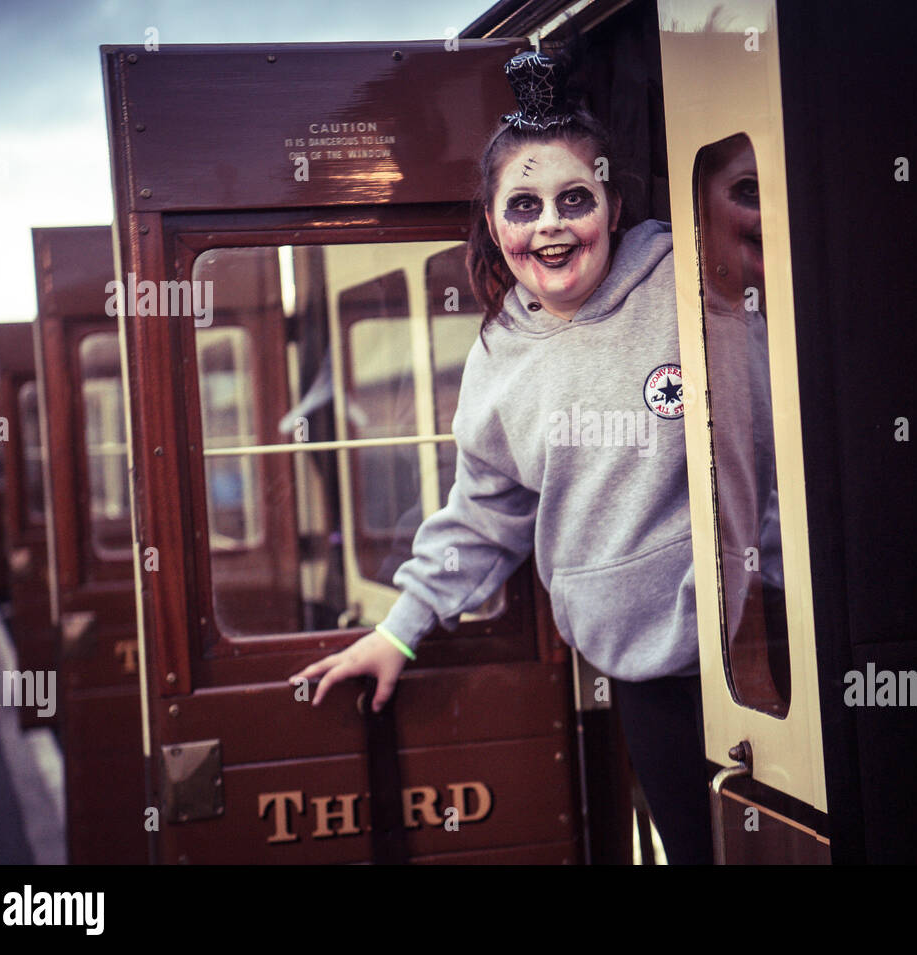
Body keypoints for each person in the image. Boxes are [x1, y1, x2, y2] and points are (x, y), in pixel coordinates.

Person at [290, 50, 712, 864]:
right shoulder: (498, 360)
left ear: (613, 206)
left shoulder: (685, 286)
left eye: (573, 199)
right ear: (493, 221)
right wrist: (399, 630)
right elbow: (484, 515)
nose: (550, 223)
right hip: (644, 682)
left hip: (760, 653)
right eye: (524, 204)